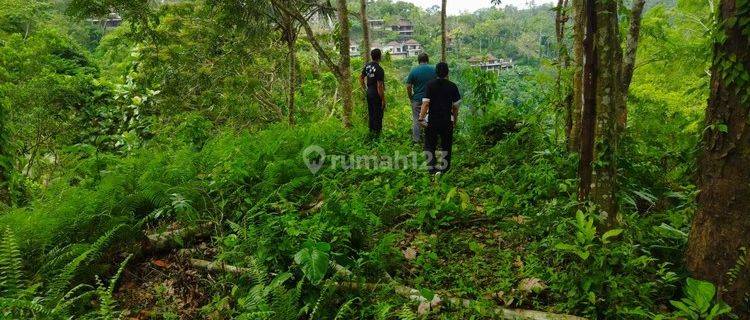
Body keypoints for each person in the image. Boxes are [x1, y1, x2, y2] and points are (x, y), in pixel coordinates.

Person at [418, 62, 461, 174]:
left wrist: (421, 118)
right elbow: (456, 107)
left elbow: (426, 104)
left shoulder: (430, 85)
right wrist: (454, 121)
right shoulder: (452, 86)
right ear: (447, 72)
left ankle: (431, 169)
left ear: (436, 72)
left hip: (432, 120)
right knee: (446, 145)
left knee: (430, 144)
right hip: (446, 120)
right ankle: (445, 169)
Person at [405, 53, 436, 143]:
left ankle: (416, 140)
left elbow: (408, 86)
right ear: (427, 60)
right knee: (431, 119)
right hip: (431, 99)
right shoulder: (434, 70)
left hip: (417, 99)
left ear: (419, 61)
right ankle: (431, 139)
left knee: (416, 120)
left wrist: (411, 97)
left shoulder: (414, 71)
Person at [360, 49, 386, 136]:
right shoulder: (379, 69)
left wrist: (365, 89)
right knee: (378, 114)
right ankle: (378, 134)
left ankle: (371, 132)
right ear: (380, 57)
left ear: (372, 56)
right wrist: (383, 99)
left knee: (371, 112)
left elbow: (361, 77)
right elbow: (379, 86)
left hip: (369, 92)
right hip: (376, 93)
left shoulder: (368, 66)